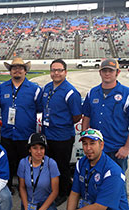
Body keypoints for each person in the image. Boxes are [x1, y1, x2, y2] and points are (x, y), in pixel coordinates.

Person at [82, 58, 129, 172]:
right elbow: (86, 117)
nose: (107, 74)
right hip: (95, 149)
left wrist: (126, 148)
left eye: (111, 71)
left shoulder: (127, 94)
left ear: (118, 72)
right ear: (100, 72)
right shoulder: (92, 93)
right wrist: (85, 143)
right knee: (94, 182)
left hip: (117, 151)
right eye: (104, 70)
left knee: (116, 185)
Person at [0, 57, 43, 193]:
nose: (17, 70)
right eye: (14, 68)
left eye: (20, 68)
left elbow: (39, 108)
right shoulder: (2, 88)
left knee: (26, 164)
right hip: (7, 133)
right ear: (10, 71)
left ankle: (27, 187)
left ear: (25, 71)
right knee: (7, 162)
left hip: (25, 134)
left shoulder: (35, 89)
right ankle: (7, 186)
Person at [41, 59, 82, 206]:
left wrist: (62, 123)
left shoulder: (71, 92)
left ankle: (64, 192)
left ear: (65, 72)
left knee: (62, 166)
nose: (56, 73)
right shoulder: (47, 88)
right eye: (53, 70)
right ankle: (54, 189)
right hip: (48, 134)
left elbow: (77, 116)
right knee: (51, 165)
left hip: (62, 136)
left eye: (59, 70)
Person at [66, 128, 129, 210]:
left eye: (92, 143)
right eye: (85, 144)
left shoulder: (113, 172)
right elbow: (74, 193)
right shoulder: (81, 163)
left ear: (101, 145)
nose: (88, 148)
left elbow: (100, 207)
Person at [17, 133, 60, 210]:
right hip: (29, 203)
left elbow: (55, 191)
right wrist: (26, 207)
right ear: (29, 149)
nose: (39, 151)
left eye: (41, 148)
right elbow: (22, 187)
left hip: (46, 204)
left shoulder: (51, 163)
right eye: (35, 148)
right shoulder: (23, 163)